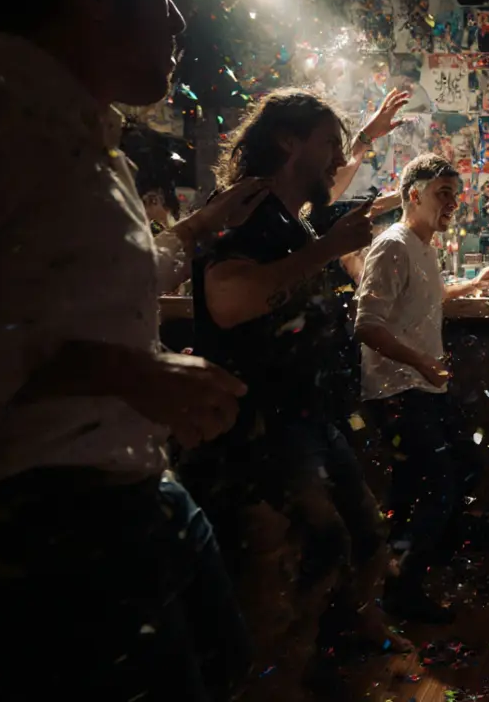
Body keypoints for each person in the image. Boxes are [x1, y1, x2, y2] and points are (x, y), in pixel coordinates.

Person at [0, 0, 269, 699]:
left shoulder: (77, 130)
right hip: (36, 528)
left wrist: (194, 232)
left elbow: (68, 286)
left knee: (226, 663)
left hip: (132, 493)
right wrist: (123, 373)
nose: (179, 17)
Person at [181, 88, 396, 700]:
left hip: (307, 415)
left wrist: (363, 141)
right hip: (258, 425)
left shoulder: (290, 211)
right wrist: (327, 250)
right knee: (301, 556)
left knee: (358, 535)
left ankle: (331, 655)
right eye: (328, 143)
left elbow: (332, 175)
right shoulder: (246, 211)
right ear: (286, 141)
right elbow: (228, 303)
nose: (338, 159)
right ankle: (274, 683)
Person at [355, 153, 489, 623]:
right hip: (395, 390)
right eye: (444, 194)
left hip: (423, 387)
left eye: (455, 196)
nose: (454, 205)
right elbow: (366, 324)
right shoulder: (392, 245)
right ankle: (403, 589)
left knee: (456, 473)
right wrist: (422, 360)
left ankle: (404, 573)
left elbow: (426, 297)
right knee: (440, 484)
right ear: (413, 195)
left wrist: (471, 285)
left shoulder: (423, 247)